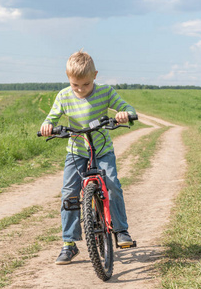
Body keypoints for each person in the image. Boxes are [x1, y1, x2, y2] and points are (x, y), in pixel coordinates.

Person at [40, 49, 136, 265]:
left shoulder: (106, 92)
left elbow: (126, 107)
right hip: (76, 152)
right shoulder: (64, 96)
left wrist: (124, 114)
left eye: (85, 84)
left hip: (102, 149)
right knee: (69, 194)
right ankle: (69, 244)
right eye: (75, 85)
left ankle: (121, 231)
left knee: (112, 184)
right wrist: (48, 126)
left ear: (95, 75)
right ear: (68, 79)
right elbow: (51, 117)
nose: (81, 89)